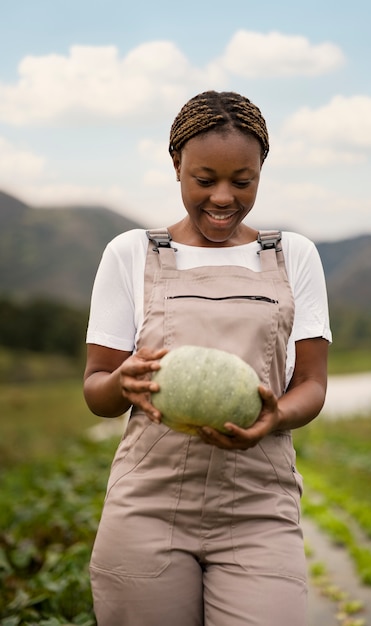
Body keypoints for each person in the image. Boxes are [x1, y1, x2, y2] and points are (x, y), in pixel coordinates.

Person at [84, 90, 332, 626]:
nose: (223, 197)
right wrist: (121, 383)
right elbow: (96, 389)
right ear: (176, 165)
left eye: (242, 182)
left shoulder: (294, 256)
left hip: (258, 508)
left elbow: (312, 383)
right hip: (147, 505)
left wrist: (277, 415)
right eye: (204, 179)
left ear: (262, 169)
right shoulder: (130, 253)